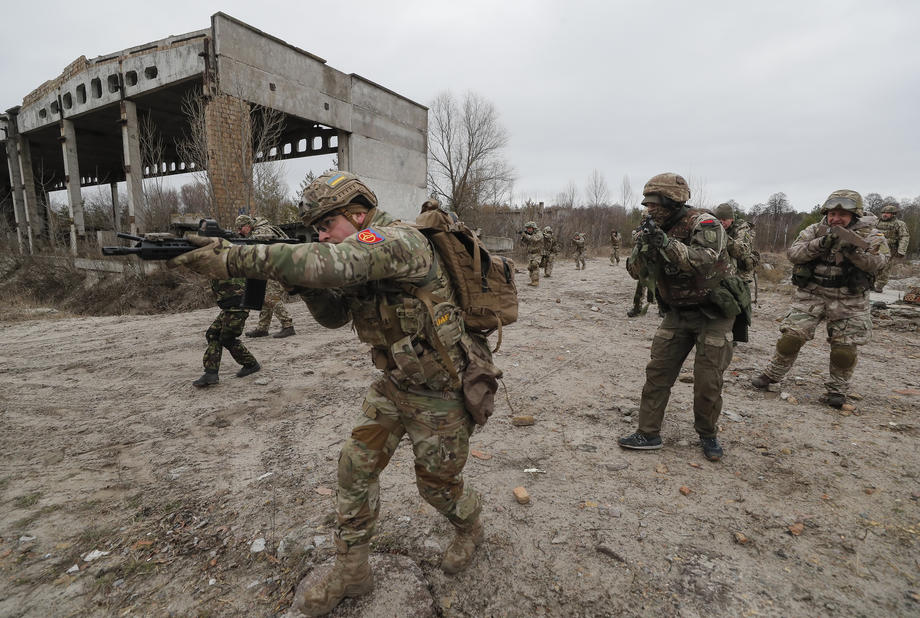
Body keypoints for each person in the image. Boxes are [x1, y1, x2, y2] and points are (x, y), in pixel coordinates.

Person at [169, 171, 497, 616]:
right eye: (317, 230)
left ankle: (469, 526)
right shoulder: (357, 251)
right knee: (353, 471)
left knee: (436, 488)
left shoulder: (397, 241)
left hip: (440, 392)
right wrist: (305, 288)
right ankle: (352, 572)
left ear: (358, 214)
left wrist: (233, 258)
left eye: (326, 226)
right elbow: (335, 317)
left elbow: (331, 264)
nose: (321, 236)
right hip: (394, 385)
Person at [618, 173, 737, 462]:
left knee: (708, 380)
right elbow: (634, 271)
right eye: (646, 204)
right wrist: (645, 245)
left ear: (673, 201)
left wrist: (664, 243)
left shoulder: (705, 224)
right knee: (658, 372)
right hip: (677, 312)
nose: (649, 209)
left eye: (654, 203)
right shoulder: (652, 228)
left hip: (713, 312)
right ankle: (648, 432)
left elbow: (702, 260)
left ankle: (708, 434)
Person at [751, 190, 889, 408]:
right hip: (812, 294)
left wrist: (853, 251)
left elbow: (878, 263)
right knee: (790, 338)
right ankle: (772, 375)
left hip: (850, 299)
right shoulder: (815, 230)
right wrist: (822, 243)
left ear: (854, 215)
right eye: (833, 213)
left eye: (842, 214)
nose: (836, 218)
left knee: (844, 350)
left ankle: (837, 391)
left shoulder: (872, 235)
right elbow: (794, 254)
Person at [192, 276, 261, 388]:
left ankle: (251, 364)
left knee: (227, 338)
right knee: (212, 333)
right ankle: (211, 373)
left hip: (238, 307)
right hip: (229, 308)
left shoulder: (225, 263)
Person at [235, 215, 296, 339]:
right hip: (272, 266)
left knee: (270, 296)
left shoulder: (263, 230)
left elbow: (258, 243)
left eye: (240, 228)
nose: (239, 231)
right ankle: (263, 328)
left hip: (279, 266)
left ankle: (288, 325)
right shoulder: (258, 230)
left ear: (247, 225)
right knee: (264, 296)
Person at [714, 203, 756, 290]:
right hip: (723, 273)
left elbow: (740, 250)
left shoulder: (742, 228)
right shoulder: (717, 227)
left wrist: (722, 237)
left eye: (724, 219)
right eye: (719, 220)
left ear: (731, 219)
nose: (721, 222)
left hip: (740, 275)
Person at [874, 203, 910, 292]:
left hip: (889, 250)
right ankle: (870, 284)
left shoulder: (899, 224)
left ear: (893, 214)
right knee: (872, 266)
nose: (885, 214)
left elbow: (904, 237)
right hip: (875, 248)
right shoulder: (876, 222)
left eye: (887, 213)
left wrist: (901, 250)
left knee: (885, 269)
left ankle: (879, 287)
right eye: (883, 212)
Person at [520, 221, 544, 286]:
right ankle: (533, 280)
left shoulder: (539, 233)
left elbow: (535, 239)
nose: (528, 229)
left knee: (534, 265)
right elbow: (526, 242)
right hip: (531, 253)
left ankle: (536, 281)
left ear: (533, 228)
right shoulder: (529, 234)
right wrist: (523, 237)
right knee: (530, 267)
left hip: (538, 253)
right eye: (527, 228)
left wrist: (526, 235)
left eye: (529, 228)